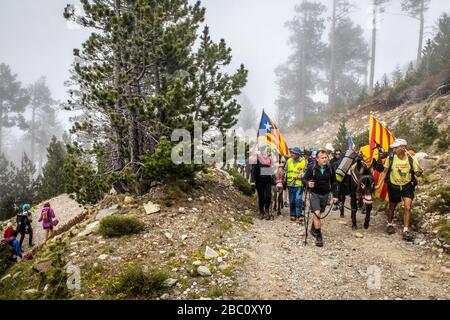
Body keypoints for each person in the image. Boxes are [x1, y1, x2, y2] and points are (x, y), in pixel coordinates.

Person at [375, 139, 423, 241]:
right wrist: (379, 184)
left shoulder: (411, 159)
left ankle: (405, 230)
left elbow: (417, 173)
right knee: (392, 206)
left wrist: (420, 172)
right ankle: (389, 223)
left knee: (407, 207)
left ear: (403, 148)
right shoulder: (391, 158)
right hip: (394, 186)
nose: (394, 149)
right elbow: (384, 172)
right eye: (394, 147)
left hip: (407, 186)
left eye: (396, 147)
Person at [303, 150, 339, 247]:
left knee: (319, 213)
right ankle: (319, 236)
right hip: (315, 193)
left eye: (326, 157)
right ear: (317, 159)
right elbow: (304, 179)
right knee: (317, 213)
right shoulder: (312, 168)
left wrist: (335, 195)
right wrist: (307, 183)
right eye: (322, 157)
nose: (324, 159)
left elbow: (334, 182)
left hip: (326, 195)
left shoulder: (331, 168)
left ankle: (313, 227)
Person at [251, 146, 275, 220]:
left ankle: (267, 210)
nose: (269, 153)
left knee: (268, 196)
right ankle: (261, 211)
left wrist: (273, 174)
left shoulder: (270, 160)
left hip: (267, 181)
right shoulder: (257, 159)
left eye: (269, 152)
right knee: (261, 197)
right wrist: (253, 181)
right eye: (268, 151)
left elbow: (270, 171)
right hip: (259, 181)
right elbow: (254, 171)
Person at [285, 147, 307, 222]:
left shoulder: (303, 161)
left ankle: (299, 215)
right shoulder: (288, 161)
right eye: (292, 152)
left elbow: (306, 172)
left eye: (293, 153)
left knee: (298, 199)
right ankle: (292, 214)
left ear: (298, 154)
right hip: (290, 183)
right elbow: (285, 170)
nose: (292, 154)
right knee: (292, 201)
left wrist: (302, 175)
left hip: (299, 184)